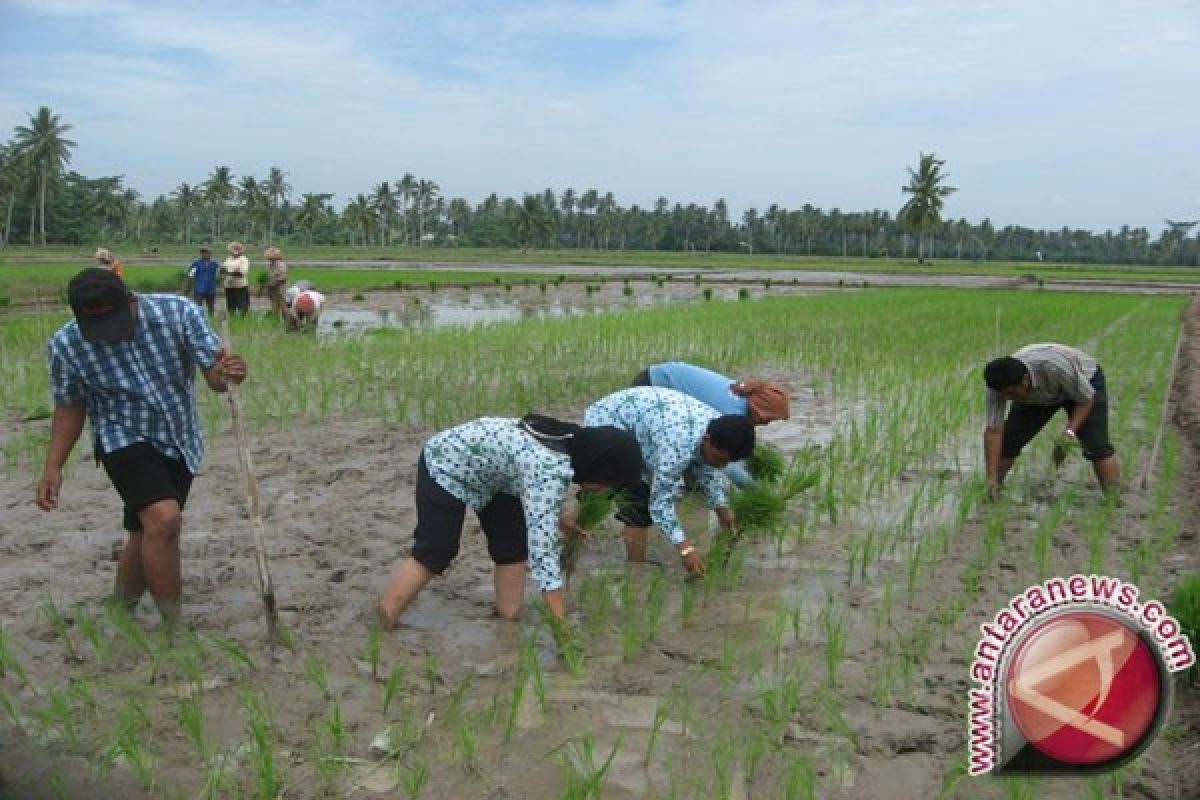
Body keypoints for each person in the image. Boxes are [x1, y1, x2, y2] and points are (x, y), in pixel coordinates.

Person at [35, 268, 248, 627]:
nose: (111, 338)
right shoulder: (67, 344)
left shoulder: (178, 313)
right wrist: (53, 466)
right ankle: (173, 629)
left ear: (132, 301)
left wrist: (228, 375)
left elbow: (214, 375)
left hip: (180, 435)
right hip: (122, 436)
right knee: (164, 520)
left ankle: (121, 607)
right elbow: (71, 405)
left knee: (146, 530)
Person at [377, 415, 643, 629]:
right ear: (600, 468)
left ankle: (507, 624)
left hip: (494, 476)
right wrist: (561, 624)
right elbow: (544, 556)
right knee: (436, 550)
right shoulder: (551, 467)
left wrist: (559, 517)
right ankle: (384, 622)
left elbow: (538, 490)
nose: (601, 491)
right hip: (447, 462)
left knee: (513, 549)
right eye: (607, 483)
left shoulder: (572, 445)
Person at [579, 386, 755, 574]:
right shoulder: (678, 446)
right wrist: (686, 549)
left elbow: (706, 470)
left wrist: (722, 511)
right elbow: (660, 506)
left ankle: (577, 523)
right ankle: (636, 572)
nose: (721, 466)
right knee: (637, 502)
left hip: (644, 422)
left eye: (727, 462)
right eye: (720, 459)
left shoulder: (719, 429)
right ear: (707, 439)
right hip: (609, 422)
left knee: (610, 493)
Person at [983, 343, 1119, 498]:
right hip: (1038, 394)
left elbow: (1086, 400)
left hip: (1082, 383)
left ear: (1025, 379)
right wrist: (991, 477)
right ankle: (993, 490)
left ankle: (1112, 499)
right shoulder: (997, 387)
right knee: (1009, 442)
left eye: (1011, 393)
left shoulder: (1055, 368)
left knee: (1097, 447)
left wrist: (1069, 433)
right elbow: (994, 431)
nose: (1007, 398)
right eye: (1004, 395)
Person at [633, 361, 790, 485]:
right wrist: (754, 489)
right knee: (663, 449)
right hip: (654, 385)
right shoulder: (732, 411)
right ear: (759, 408)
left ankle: (690, 485)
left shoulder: (742, 394)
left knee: (699, 448)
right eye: (768, 418)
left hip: (662, 375)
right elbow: (728, 462)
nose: (767, 423)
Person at [221, 242, 250, 315]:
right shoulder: (228, 259)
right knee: (230, 303)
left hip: (240, 286)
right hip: (229, 286)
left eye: (237, 249)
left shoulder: (243, 259)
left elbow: (242, 272)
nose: (235, 251)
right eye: (233, 249)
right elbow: (223, 270)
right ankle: (232, 318)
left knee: (241, 303)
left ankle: (242, 319)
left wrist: (229, 273)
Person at [188, 247, 220, 313]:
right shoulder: (196, 264)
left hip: (211, 289)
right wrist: (189, 287)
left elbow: (219, 275)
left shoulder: (215, 264)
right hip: (199, 289)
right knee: (197, 307)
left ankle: (211, 319)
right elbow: (191, 275)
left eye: (206, 253)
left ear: (210, 254)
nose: (205, 254)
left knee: (211, 306)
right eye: (203, 253)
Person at [264, 246, 288, 317]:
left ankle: (288, 322)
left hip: (280, 289)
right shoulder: (269, 265)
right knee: (274, 307)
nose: (269, 259)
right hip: (272, 290)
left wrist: (274, 283)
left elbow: (283, 277)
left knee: (283, 307)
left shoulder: (281, 265)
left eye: (271, 258)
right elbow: (267, 276)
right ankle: (275, 322)